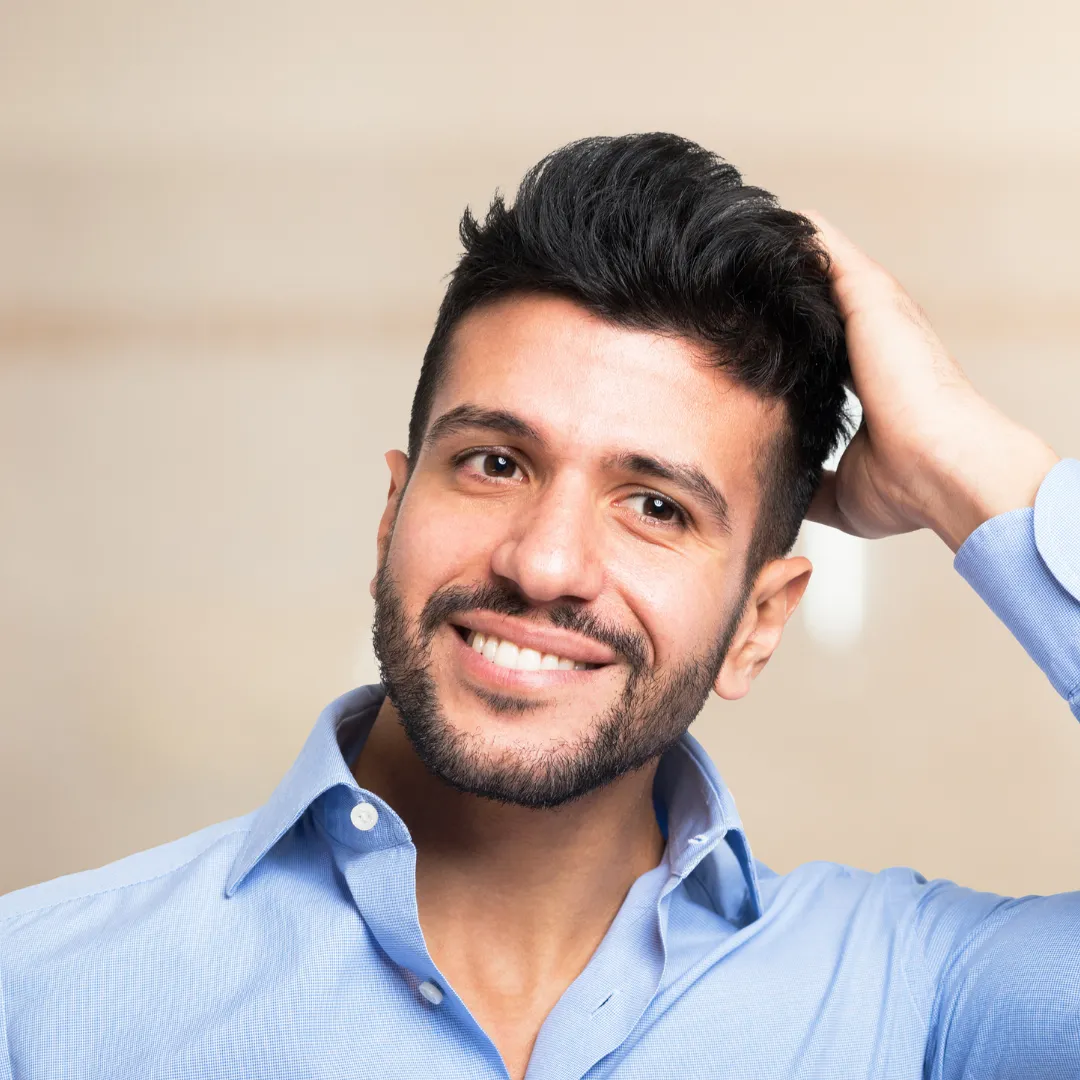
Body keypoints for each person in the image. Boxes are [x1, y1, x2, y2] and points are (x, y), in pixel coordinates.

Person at [1, 133, 1076, 1080]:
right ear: (392, 515)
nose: (546, 561)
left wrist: (971, 468)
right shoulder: (41, 998)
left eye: (655, 505)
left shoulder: (919, 1004)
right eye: (495, 463)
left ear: (759, 624)